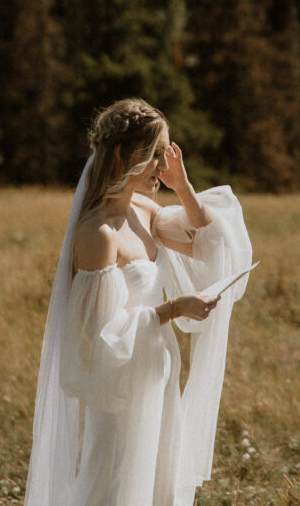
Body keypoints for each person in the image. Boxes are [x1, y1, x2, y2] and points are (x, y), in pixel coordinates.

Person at [24, 97, 252, 506]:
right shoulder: (98, 235)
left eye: (167, 155)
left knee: (157, 486)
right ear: (123, 155)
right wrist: (173, 309)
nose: (162, 167)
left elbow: (209, 245)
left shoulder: (144, 210)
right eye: (156, 155)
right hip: (119, 390)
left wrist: (182, 186)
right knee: (113, 485)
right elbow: (102, 339)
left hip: (159, 373)